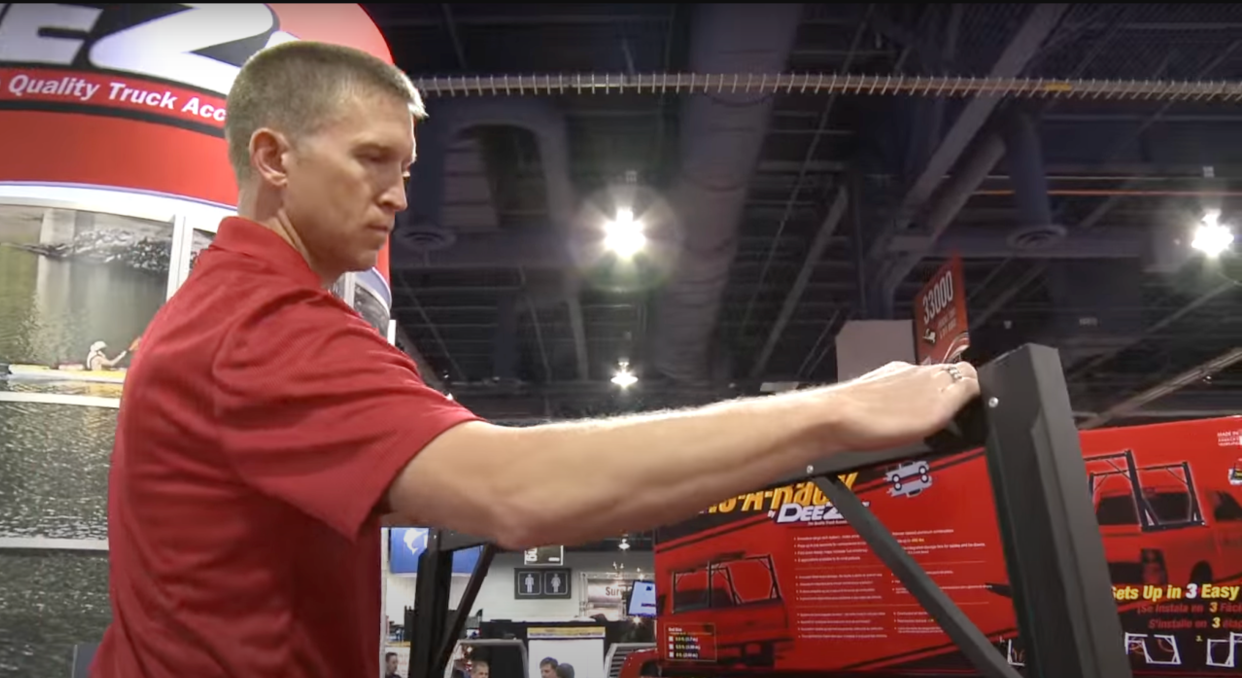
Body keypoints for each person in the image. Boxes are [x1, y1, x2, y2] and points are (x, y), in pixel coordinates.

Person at [90, 40, 980, 678]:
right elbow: (516, 493)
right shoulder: (261, 329)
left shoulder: (230, 312)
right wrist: (835, 411)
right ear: (274, 157)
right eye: (372, 160)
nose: (399, 195)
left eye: (405, 166)